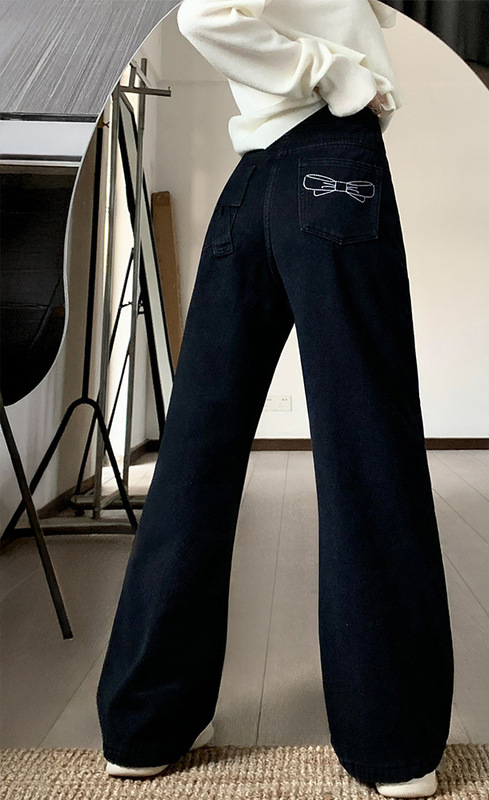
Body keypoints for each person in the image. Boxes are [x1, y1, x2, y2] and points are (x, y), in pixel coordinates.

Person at [96, 1, 455, 797]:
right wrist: (336, 72)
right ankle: (393, 741)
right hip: (333, 161)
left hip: (251, 180)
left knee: (194, 454)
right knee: (369, 446)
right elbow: (205, 16)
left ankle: (143, 726)